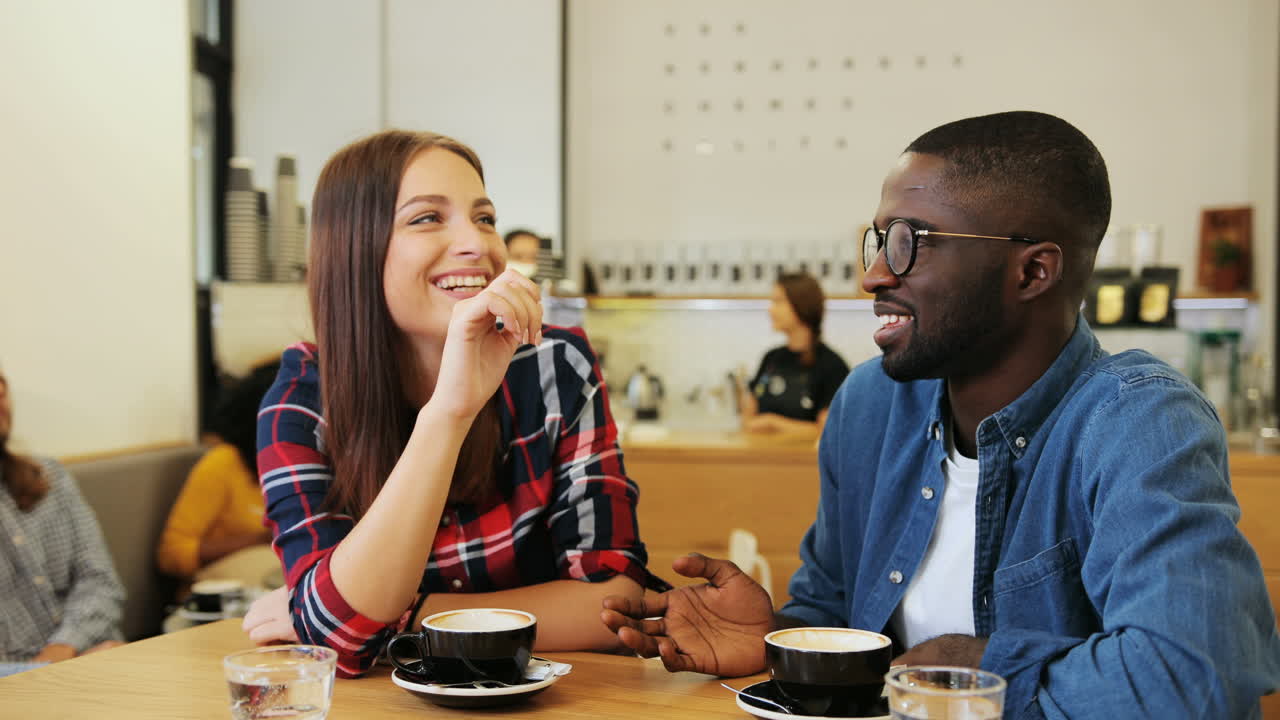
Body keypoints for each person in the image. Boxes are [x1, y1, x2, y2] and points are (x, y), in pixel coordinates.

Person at [602, 111, 1280, 717]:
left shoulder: (1138, 420)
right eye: (877, 240)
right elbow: (839, 615)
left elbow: (1193, 676)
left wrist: (980, 668)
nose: (872, 276)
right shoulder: (869, 405)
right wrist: (780, 637)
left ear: (1032, 272)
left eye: (910, 240)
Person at [241, 130, 663, 678]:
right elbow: (338, 645)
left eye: (484, 218)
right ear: (355, 250)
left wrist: (402, 618)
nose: (478, 244)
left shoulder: (556, 364)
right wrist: (449, 411)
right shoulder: (301, 404)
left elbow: (616, 602)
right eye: (427, 218)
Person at [0, 366, 125, 669]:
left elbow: (100, 581)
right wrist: (44, 670)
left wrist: (65, 646)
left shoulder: (48, 475)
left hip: (91, 654)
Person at [156, 361, 280, 591]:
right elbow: (172, 554)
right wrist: (261, 539)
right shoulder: (223, 463)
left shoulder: (309, 464)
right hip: (224, 597)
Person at [738, 272, 850, 436]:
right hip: (764, 458)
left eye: (778, 301)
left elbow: (827, 430)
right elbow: (748, 417)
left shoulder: (832, 365)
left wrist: (773, 423)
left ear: (801, 305)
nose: (770, 309)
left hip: (804, 461)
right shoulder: (771, 358)